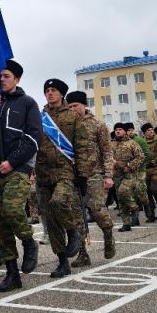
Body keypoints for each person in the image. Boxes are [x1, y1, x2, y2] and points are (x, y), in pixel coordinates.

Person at [0, 60, 41, 292]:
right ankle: (12, 273)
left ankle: (28, 241)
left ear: (17, 79)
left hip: (17, 169)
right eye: (0, 76)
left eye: (7, 76)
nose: (2, 79)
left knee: (12, 209)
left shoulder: (27, 103)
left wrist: (12, 161)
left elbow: (33, 138)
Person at [35, 78, 87, 279]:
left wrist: (82, 174)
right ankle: (62, 261)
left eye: (54, 90)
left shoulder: (73, 116)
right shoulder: (39, 117)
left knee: (59, 203)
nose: (50, 93)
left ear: (62, 94)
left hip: (65, 170)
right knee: (50, 219)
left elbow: (81, 146)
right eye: (47, 90)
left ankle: (73, 230)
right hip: (43, 172)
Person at [67, 90, 116, 267]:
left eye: (75, 105)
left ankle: (108, 235)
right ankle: (83, 254)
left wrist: (108, 175)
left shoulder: (97, 124)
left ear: (84, 105)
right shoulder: (66, 126)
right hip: (74, 176)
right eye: (69, 106)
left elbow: (107, 151)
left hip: (95, 174)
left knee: (97, 211)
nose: (73, 109)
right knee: (77, 217)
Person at [112, 123, 144, 232]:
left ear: (125, 131)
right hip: (117, 174)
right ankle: (126, 223)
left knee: (123, 191)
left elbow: (140, 157)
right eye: (116, 129)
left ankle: (135, 207)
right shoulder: (111, 145)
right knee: (121, 200)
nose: (118, 131)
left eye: (120, 129)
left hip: (129, 174)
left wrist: (129, 166)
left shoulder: (132, 143)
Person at [141, 123, 157, 221]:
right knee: (147, 193)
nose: (151, 131)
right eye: (148, 130)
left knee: (155, 189)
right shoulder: (142, 142)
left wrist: (154, 161)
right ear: (144, 133)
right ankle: (151, 215)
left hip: (156, 170)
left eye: (152, 130)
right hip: (145, 170)